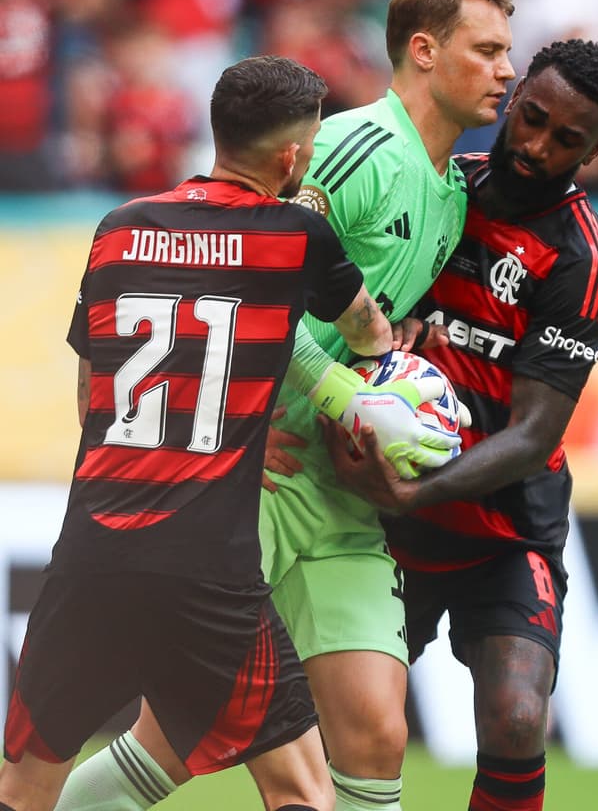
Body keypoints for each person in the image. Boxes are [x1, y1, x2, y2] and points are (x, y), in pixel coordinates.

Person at [54, 0, 516, 811]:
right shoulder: (349, 148)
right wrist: (317, 399)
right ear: (423, 51)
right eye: (486, 50)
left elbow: (353, 310)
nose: (504, 70)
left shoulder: (451, 191)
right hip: (255, 482)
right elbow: (240, 280)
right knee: (175, 744)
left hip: (341, 491)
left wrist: (400, 356)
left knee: (374, 735)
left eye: (505, 53)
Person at [0, 54, 404, 811]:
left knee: (23, 790)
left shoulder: (118, 229)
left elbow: (92, 399)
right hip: (207, 569)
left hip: (92, 555)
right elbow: (368, 331)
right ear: (291, 156)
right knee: (302, 789)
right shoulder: (295, 234)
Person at [322, 38, 598, 811]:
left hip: (502, 528)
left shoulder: (582, 261)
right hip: (382, 520)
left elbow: (534, 435)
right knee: (337, 726)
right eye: (533, 118)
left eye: (567, 139)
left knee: (518, 716)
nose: (536, 146)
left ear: (595, 151)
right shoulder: (439, 189)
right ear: (514, 96)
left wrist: (414, 493)